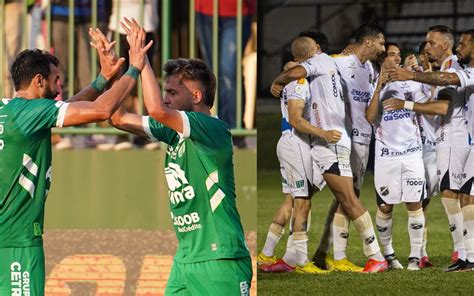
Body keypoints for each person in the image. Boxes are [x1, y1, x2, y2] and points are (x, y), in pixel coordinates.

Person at [0, 26, 151, 294]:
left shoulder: (11, 110)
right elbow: (101, 110)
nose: (59, 88)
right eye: (55, 80)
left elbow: (69, 108)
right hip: (15, 244)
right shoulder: (32, 113)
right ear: (38, 81)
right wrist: (134, 68)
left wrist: (103, 79)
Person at [109, 18, 252, 294]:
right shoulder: (172, 132)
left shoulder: (213, 128)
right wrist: (113, 74)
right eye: (165, 92)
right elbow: (117, 117)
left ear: (196, 96)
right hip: (185, 260)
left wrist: (141, 62)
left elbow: (157, 111)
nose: (166, 99)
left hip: (220, 259)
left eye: (172, 92)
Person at [269, 29, 388, 273]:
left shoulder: (319, 61)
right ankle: (294, 258)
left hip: (330, 142)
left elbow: (297, 72)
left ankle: (376, 256)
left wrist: (278, 80)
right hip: (324, 143)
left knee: (347, 199)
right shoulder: (328, 64)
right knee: (301, 196)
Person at [386, 29, 474, 272]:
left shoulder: (454, 67)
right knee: (456, 195)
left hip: (455, 137)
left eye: (431, 42)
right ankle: (464, 255)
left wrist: (409, 83)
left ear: (446, 45)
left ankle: (465, 253)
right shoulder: (448, 66)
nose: (426, 47)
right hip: (451, 138)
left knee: (453, 195)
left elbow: (443, 105)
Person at [258, 36, 337, 274]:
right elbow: (296, 119)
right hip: (295, 141)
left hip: (290, 141)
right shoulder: (299, 81)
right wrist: (324, 133)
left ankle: (268, 252)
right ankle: (300, 259)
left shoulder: (296, 79)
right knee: (302, 200)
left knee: (293, 199)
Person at [366, 42, 426, 271]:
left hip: (412, 153)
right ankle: (389, 256)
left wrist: (418, 74)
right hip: (386, 155)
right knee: (385, 207)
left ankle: (414, 257)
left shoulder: (411, 81)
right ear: (382, 60)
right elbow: (370, 117)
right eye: (392, 55)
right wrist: (379, 87)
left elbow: (429, 104)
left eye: (398, 55)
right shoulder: (374, 84)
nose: (396, 59)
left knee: (415, 203)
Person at [195, 0, 256, 148]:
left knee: (229, 71)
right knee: (214, 73)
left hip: (237, 11)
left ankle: (234, 129)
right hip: (204, 11)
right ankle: (221, 127)